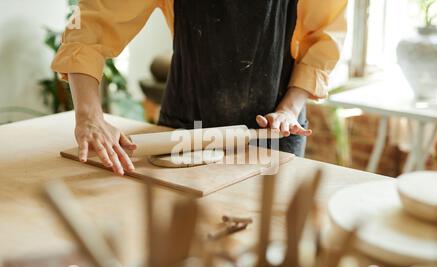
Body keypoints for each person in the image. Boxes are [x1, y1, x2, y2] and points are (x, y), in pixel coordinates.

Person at [52, 0, 347, 175]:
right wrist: (89, 116)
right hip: (183, 129)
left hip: (275, 131)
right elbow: (90, 23)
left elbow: (325, 37)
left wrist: (289, 109)